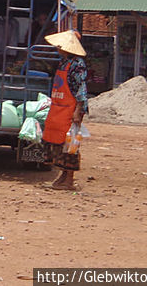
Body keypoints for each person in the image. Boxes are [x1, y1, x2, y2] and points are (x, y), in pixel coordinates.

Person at [41, 30, 89, 191]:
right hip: (57, 109)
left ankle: (69, 180)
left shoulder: (78, 64)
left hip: (71, 110)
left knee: (70, 145)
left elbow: (81, 89)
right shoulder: (63, 62)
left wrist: (78, 111)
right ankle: (62, 176)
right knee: (56, 143)